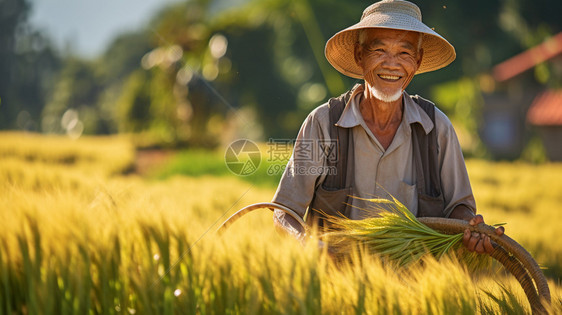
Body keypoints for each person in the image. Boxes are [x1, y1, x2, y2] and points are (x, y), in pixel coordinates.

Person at [271, 0, 503, 254]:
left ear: (418, 59)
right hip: (333, 284)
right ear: (360, 55)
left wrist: (469, 229)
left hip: (413, 288)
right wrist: (309, 246)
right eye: (379, 50)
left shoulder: (436, 129)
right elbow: (285, 213)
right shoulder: (323, 124)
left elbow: (460, 209)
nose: (391, 64)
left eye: (404, 53)